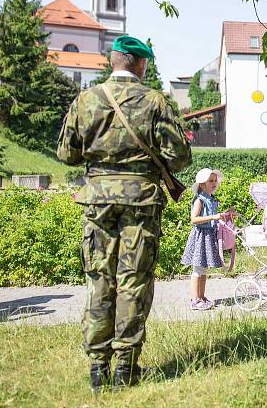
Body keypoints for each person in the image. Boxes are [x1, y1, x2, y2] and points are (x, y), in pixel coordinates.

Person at [57, 35, 192, 392]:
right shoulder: (154, 102)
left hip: (98, 201)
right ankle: (125, 368)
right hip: (141, 202)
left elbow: (67, 154)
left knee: (99, 278)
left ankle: (98, 367)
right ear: (139, 63)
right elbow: (179, 157)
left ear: (114, 61)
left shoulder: (85, 100)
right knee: (133, 279)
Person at [181, 168, 235, 311]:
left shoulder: (212, 199)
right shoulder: (200, 200)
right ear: (202, 185)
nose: (214, 183)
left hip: (208, 236)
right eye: (211, 181)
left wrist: (224, 215)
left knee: (204, 269)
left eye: (215, 180)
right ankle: (194, 300)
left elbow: (215, 218)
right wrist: (213, 217)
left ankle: (201, 297)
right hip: (200, 237)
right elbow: (194, 219)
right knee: (197, 269)